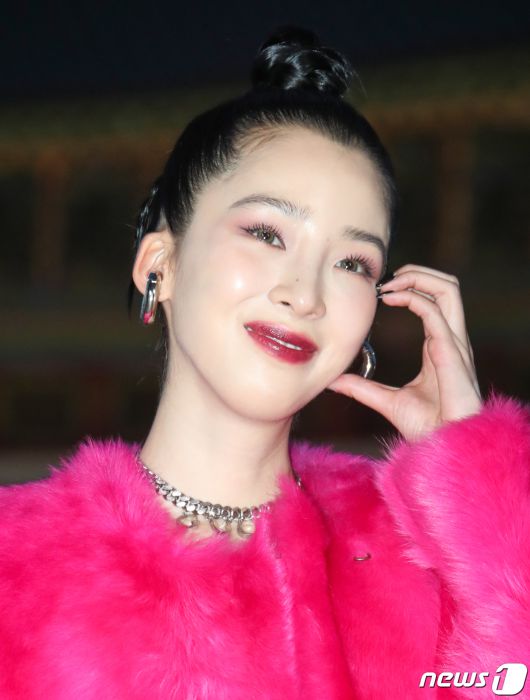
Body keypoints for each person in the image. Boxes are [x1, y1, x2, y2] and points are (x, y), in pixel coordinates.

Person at [0, 25, 528, 700]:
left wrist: (478, 500)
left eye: (352, 263)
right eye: (266, 233)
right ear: (160, 263)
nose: (305, 294)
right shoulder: (16, 561)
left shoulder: (425, 555)